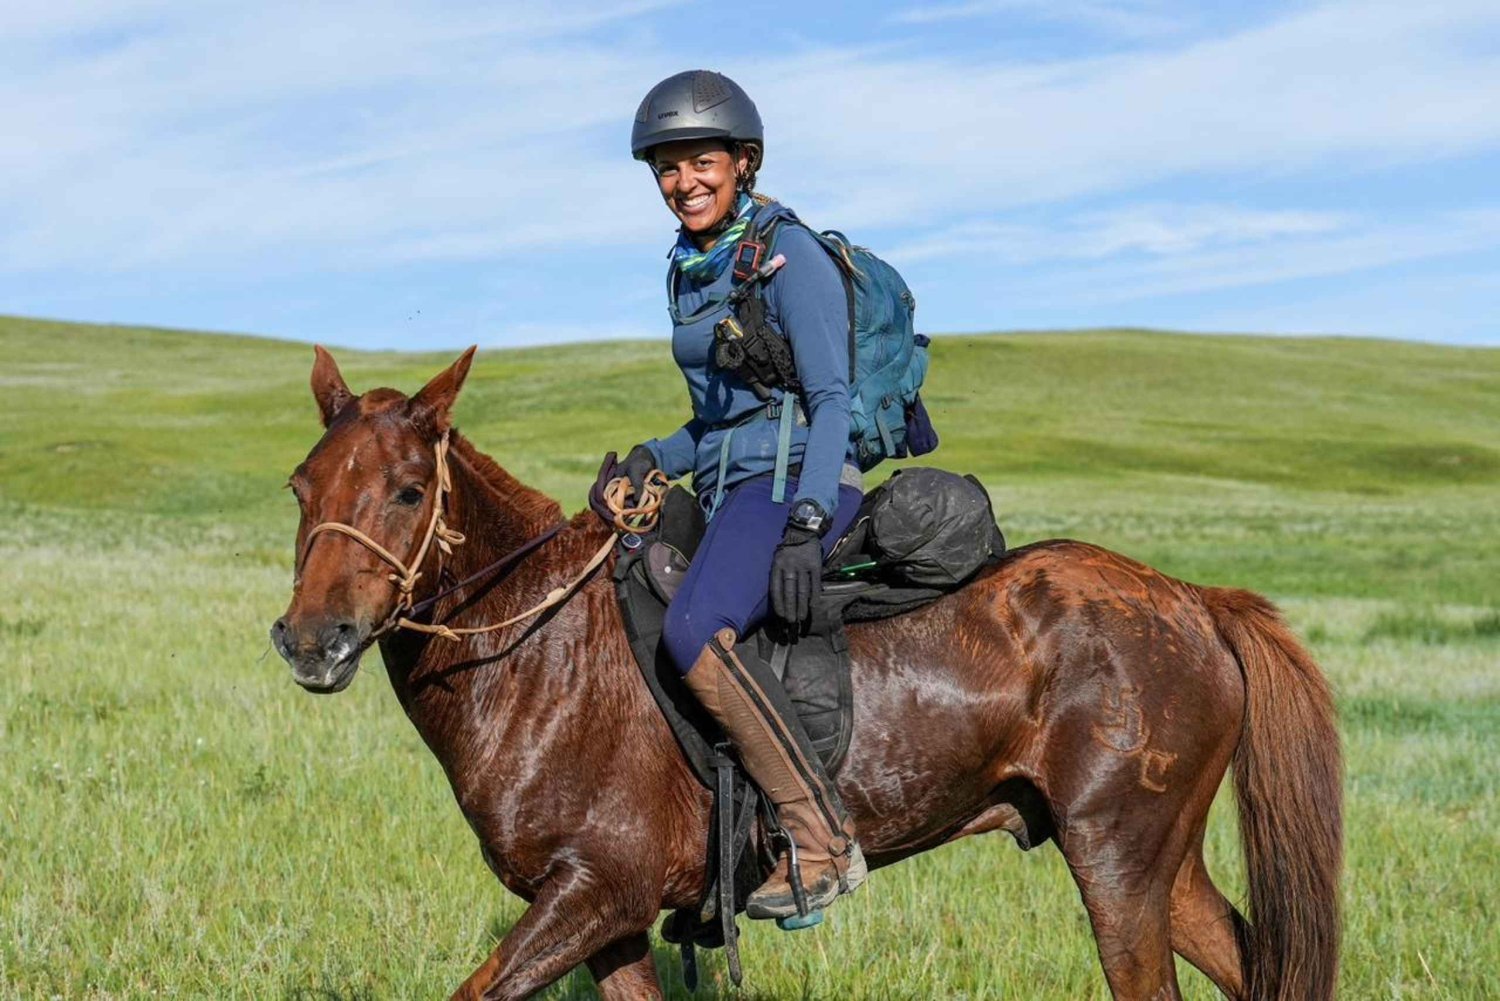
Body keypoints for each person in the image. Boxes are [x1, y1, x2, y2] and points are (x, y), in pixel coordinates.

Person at [614, 69, 867, 921]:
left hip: (799, 484)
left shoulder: (790, 257)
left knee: (693, 626)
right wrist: (652, 456)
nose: (684, 183)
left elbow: (832, 400)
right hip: (733, 484)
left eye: (702, 162)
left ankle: (821, 840)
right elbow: (711, 425)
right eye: (667, 168)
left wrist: (806, 519)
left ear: (744, 162)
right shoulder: (692, 270)